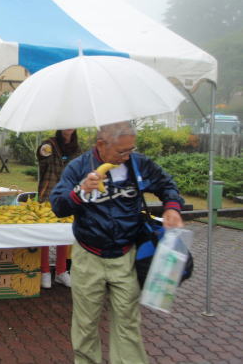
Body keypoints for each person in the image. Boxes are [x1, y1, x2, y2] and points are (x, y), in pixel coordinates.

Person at [50, 121, 184, 364]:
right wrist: (79, 193)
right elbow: (58, 206)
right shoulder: (79, 167)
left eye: (130, 149)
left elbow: (166, 184)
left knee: (128, 322)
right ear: (101, 144)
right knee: (86, 323)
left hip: (125, 254)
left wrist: (172, 208)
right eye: (121, 151)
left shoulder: (138, 164)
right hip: (88, 254)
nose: (127, 155)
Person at [37, 129, 80, 289]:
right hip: (48, 193)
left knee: (65, 232)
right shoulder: (49, 144)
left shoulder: (76, 147)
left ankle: (61, 271)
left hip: (68, 195)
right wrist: (43, 152)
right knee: (46, 233)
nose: (69, 127)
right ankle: (45, 271)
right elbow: (42, 157)